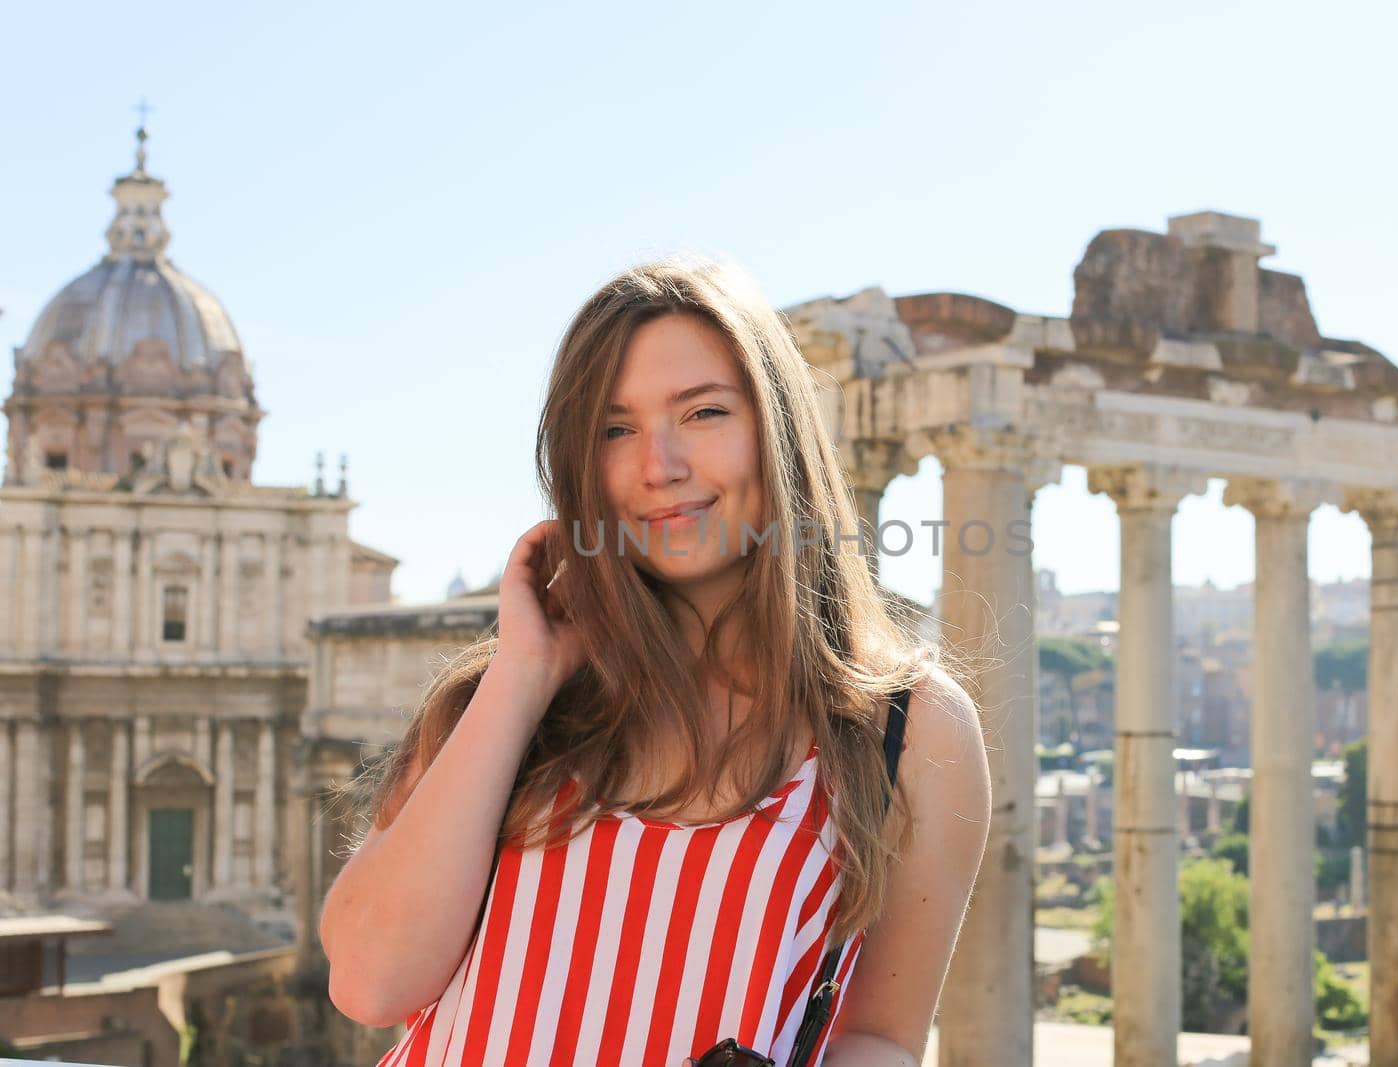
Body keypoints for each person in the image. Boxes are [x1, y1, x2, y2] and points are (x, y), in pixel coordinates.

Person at [318, 255, 991, 1066]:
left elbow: (879, 1035)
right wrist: (523, 675)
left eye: (703, 412)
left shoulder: (910, 729)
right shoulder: (504, 702)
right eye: (614, 428)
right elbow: (370, 980)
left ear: (776, 431)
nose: (658, 465)